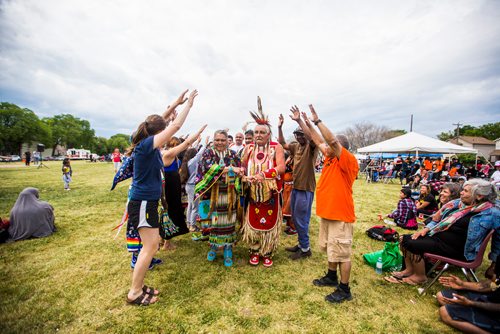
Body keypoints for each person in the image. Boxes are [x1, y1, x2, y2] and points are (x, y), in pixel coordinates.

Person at [125, 88, 201, 306]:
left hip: (146, 202)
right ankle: (134, 292)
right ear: (158, 133)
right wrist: (188, 106)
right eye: (164, 130)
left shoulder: (146, 143)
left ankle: (138, 287)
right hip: (142, 202)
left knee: (151, 245)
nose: (167, 131)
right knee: (149, 247)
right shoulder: (147, 145)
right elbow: (175, 126)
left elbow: (159, 123)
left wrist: (175, 104)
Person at [298, 105, 359, 303]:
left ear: (340, 149)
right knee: (332, 249)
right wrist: (303, 122)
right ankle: (331, 276)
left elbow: (331, 140)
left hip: (341, 215)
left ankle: (344, 288)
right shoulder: (330, 158)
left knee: (342, 253)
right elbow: (318, 140)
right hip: (329, 213)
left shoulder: (347, 160)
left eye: (331, 148)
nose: (326, 148)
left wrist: (317, 121)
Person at [386, 179, 499, 286]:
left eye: (465, 191)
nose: (461, 193)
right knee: (404, 239)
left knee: (412, 243)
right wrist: (425, 229)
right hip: (439, 239)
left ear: (479, 196)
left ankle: (419, 277)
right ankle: (409, 270)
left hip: (460, 249)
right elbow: (436, 220)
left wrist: (494, 263)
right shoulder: (457, 204)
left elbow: (498, 240)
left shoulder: (492, 213)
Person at [240, 97, 285, 267]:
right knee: (253, 220)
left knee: (269, 221)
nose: (258, 135)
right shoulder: (249, 148)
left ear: (268, 134)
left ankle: (267, 251)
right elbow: (242, 165)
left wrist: (264, 174)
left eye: (261, 133)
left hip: (270, 193)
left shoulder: (276, 147)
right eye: (256, 132)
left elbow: (281, 168)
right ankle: (254, 250)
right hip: (252, 193)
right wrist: (243, 174)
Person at [195, 130, 242, 267]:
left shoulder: (233, 155)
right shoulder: (208, 153)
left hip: (229, 194)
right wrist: (229, 169)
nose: (220, 143)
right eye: (217, 140)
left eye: (223, 140)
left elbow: (240, 169)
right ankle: (214, 246)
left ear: (228, 141)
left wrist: (237, 171)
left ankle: (228, 248)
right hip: (212, 195)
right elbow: (207, 167)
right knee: (214, 222)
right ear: (213, 140)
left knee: (228, 220)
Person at [278, 109, 319, 260]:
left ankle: (305, 248)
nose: (299, 136)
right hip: (296, 187)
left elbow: (312, 137)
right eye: (297, 134)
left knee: (302, 219)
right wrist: (280, 127)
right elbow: (282, 143)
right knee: (295, 218)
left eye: (302, 134)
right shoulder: (296, 146)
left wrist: (299, 121)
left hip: (305, 188)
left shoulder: (312, 146)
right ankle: (301, 244)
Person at [436, 263, 500, 333]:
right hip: (490, 299)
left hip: (495, 312)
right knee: (441, 296)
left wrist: (471, 303)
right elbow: (494, 284)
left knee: (445, 312)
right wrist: (462, 284)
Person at [180, 136, 207, 232]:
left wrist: (197, 142)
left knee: (190, 205)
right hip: (193, 186)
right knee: (195, 206)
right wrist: (206, 143)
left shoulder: (187, 162)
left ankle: (188, 223)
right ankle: (192, 225)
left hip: (189, 186)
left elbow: (192, 152)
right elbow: (199, 154)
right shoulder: (193, 161)